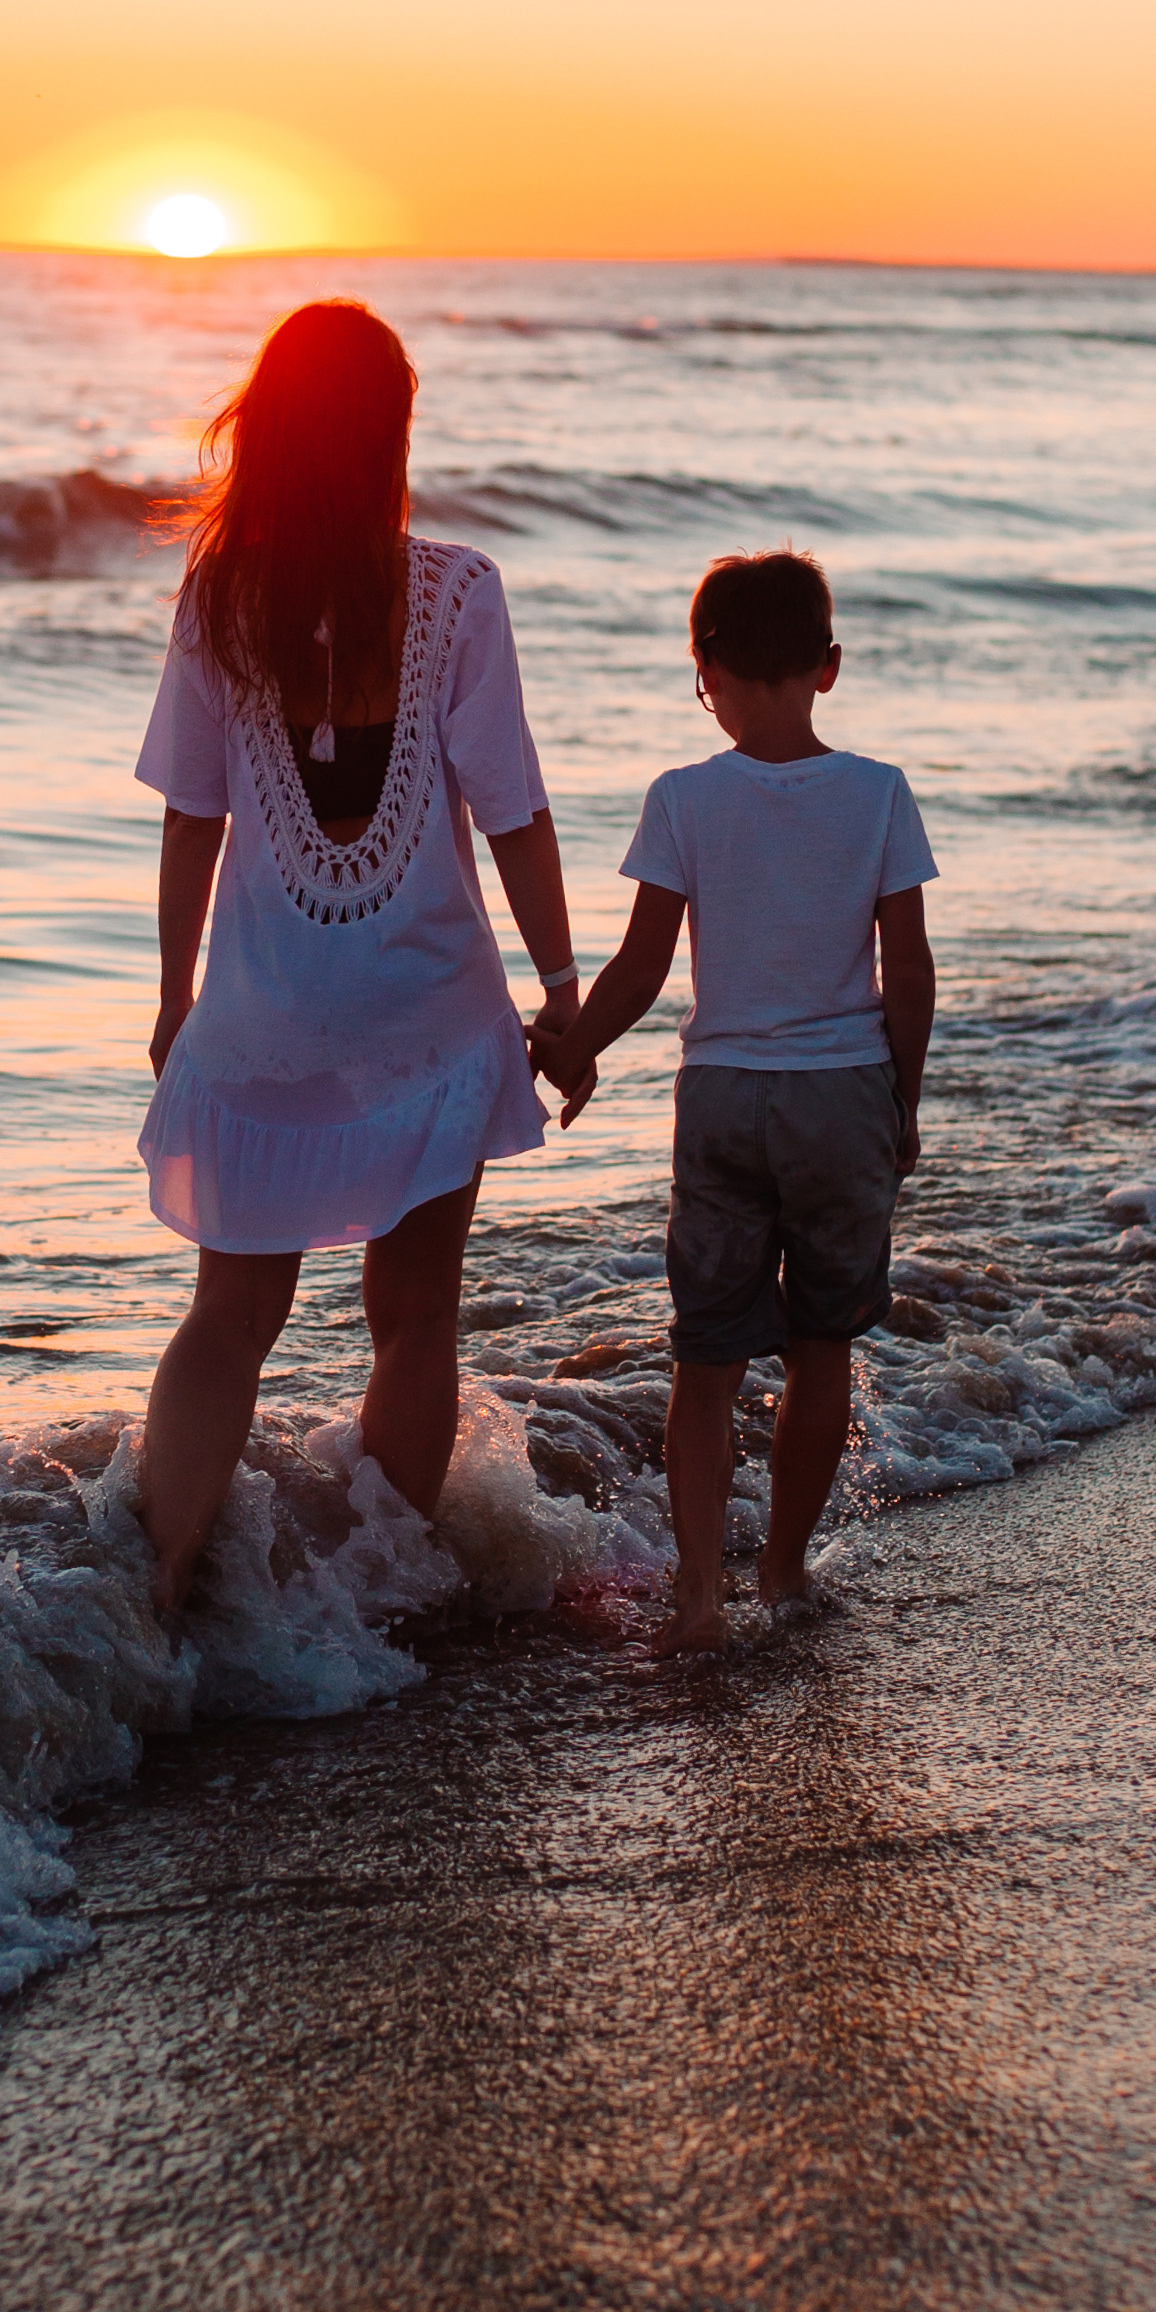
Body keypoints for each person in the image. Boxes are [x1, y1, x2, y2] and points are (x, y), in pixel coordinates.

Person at [133, 300, 578, 1616]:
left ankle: (157, 1589)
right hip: (431, 1013)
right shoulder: (456, 590)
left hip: (264, 1014)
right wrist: (561, 990)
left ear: (266, 432)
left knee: (229, 1315)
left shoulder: (219, 597)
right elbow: (511, 810)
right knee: (417, 1311)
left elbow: (190, 815)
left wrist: (173, 999)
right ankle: (380, 1595)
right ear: (390, 433)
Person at [530, 549, 936, 1655]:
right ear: (827, 666)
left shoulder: (684, 797)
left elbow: (640, 967)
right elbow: (906, 969)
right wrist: (901, 1102)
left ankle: (698, 1602)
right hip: (842, 1097)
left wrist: (572, 1048)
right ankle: (785, 1573)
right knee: (820, 1348)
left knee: (703, 1363)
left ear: (704, 670)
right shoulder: (877, 792)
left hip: (720, 1100)